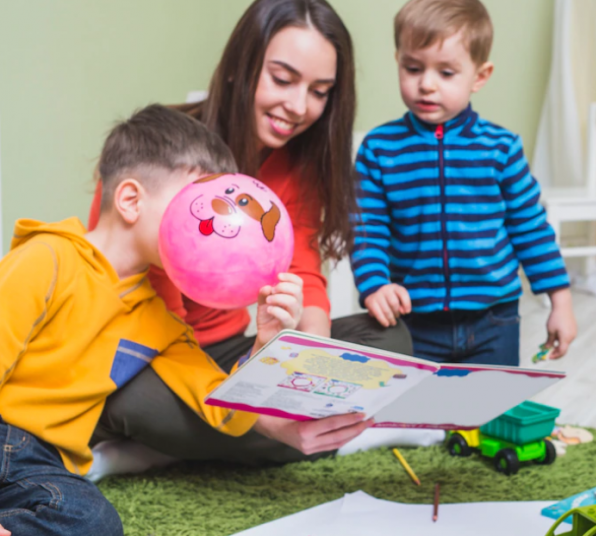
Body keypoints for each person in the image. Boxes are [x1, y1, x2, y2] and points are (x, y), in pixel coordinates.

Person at [0, 105, 373, 535]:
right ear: (130, 199)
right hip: (9, 435)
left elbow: (228, 414)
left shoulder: (159, 318)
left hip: (47, 467)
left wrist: (266, 340)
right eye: (195, 201)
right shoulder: (47, 258)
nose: (212, 222)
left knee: (94, 521)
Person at [87, 0, 414, 469]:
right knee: (127, 398)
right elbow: (149, 322)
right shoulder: (163, 153)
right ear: (242, 66)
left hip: (232, 350)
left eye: (320, 92)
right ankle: (266, 436)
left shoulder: (297, 162)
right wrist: (265, 419)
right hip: (152, 357)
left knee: (389, 341)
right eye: (283, 79)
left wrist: (313, 360)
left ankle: (230, 436)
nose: (299, 106)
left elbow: (302, 270)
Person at [350, 0, 577, 366]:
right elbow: (366, 228)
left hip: (495, 319)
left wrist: (561, 301)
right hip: (413, 323)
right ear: (397, 61)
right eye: (413, 68)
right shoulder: (378, 148)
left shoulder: (501, 147)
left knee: (488, 418)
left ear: (479, 75)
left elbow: (530, 227)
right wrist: (374, 285)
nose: (427, 83)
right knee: (419, 421)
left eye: (446, 72)